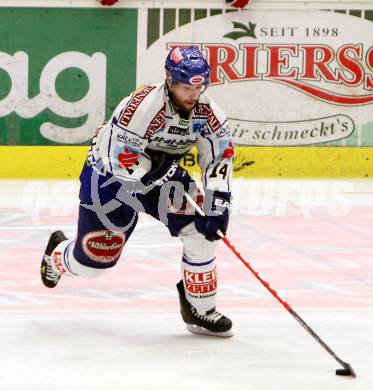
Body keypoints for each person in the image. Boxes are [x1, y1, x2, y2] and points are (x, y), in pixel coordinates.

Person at [40, 46, 235, 337]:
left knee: (203, 232)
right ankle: (57, 254)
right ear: (169, 80)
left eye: (199, 87)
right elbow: (120, 157)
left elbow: (220, 158)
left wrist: (219, 201)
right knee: (95, 263)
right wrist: (160, 171)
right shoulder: (142, 106)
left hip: (162, 178)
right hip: (109, 180)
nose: (192, 95)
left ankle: (200, 310)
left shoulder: (210, 115)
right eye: (184, 87)